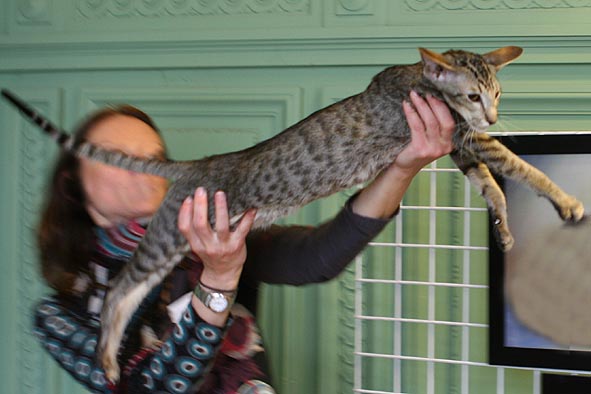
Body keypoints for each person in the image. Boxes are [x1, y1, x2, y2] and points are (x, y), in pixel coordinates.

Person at [33, 91, 454, 393]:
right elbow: (159, 387)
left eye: (154, 154)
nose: (142, 165)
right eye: (113, 153)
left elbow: (316, 258)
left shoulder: (208, 237)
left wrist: (402, 168)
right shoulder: (59, 314)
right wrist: (217, 280)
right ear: (73, 183)